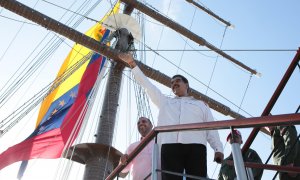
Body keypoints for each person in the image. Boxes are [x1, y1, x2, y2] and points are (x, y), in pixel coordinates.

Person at [118, 53, 224, 180]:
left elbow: (210, 127)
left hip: (196, 145)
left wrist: (218, 148)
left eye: (177, 81)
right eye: (172, 83)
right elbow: (148, 86)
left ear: (186, 85)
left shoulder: (200, 105)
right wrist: (132, 64)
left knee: (197, 178)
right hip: (170, 146)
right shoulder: (165, 102)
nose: (174, 84)